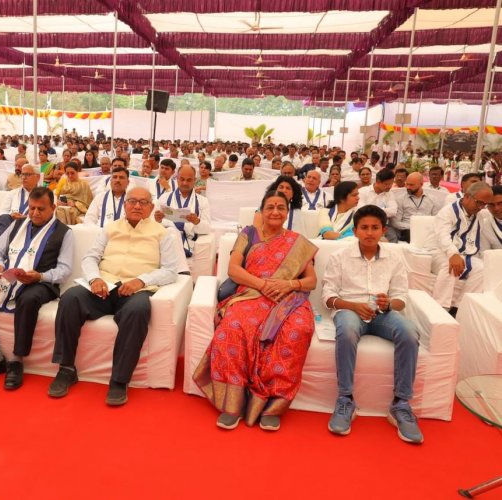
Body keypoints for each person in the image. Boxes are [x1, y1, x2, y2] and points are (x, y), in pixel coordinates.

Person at [193, 190, 317, 430]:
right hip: (251, 293)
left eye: (281, 207)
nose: (275, 212)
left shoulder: (297, 241)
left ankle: (273, 404)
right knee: (232, 327)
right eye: (270, 207)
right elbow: (233, 270)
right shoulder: (247, 234)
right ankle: (233, 403)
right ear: (261, 211)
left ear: (287, 212)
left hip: (288, 299)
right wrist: (263, 285)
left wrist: (289, 284)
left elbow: (311, 280)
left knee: (298, 330)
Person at [48, 187, 179, 405]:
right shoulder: (110, 228)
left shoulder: (162, 233)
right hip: (104, 286)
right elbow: (91, 257)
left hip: (135, 289)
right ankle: (66, 368)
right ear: (125, 204)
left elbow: (171, 271)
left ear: (151, 207)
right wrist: (94, 279)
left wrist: (141, 281)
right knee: (71, 298)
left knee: (138, 311)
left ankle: (119, 379)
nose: (137, 206)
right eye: (132, 201)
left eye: (143, 202)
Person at [323, 205, 423, 444]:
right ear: (355, 231)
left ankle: (401, 404)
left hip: (382, 314)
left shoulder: (395, 257)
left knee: (410, 332)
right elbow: (327, 296)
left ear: (384, 230)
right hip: (349, 311)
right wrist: (352, 305)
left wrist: (388, 304)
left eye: (375, 228)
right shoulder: (339, 257)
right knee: (346, 331)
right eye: (364, 228)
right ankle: (345, 399)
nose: (369, 232)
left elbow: (401, 298)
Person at [0, 187, 74, 389]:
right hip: (8, 276)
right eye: (31, 208)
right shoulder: (17, 224)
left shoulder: (64, 233)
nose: (35, 213)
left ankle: (16, 360)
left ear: (53, 208)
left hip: (41, 281)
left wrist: (40, 276)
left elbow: (64, 271)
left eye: (41, 209)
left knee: (28, 300)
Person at [425, 182, 493, 313]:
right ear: (467, 196)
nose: (481, 207)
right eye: (479, 202)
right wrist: (453, 254)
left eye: (484, 204)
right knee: (450, 266)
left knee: (483, 268)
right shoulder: (447, 212)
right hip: (438, 251)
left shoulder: (478, 215)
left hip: (463, 253)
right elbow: (443, 236)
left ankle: (460, 308)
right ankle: (440, 309)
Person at [154, 165, 211, 265]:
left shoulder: (202, 201)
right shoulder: (164, 198)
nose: (185, 183)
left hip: (189, 241)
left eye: (189, 180)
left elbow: (207, 228)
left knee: (172, 231)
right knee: (170, 232)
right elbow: (154, 224)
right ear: (177, 178)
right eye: (182, 179)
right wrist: (157, 220)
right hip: (166, 241)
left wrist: (197, 222)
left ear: (195, 180)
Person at [0, 164, 40, 240]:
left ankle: (0, 247)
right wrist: (11, 215)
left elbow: (48, 216)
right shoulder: (12, 193)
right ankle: (0, 247)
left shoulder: (46, 195)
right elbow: (1, 212)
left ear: (38, 177)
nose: (24, 177)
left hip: (32, 225)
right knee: (4, 218)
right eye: (22, 174)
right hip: (11, 224)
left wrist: (26, 217)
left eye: (28, 174)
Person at [389, 172, 439, 242]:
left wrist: (426, 227)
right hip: (407, 231)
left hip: (427, 230)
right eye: (407, 184)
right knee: (412, 235)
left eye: (411, 185)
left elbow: (436, 219)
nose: (408, 187)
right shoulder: (400, 199)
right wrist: (414, 226)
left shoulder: (432, 199)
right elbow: (395, 222)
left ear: (421, 184)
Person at [480, 185, 502, 250]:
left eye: (500, 203)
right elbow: (486, 254)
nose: (496, 208)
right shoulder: (484, 226)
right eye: (491, 205)